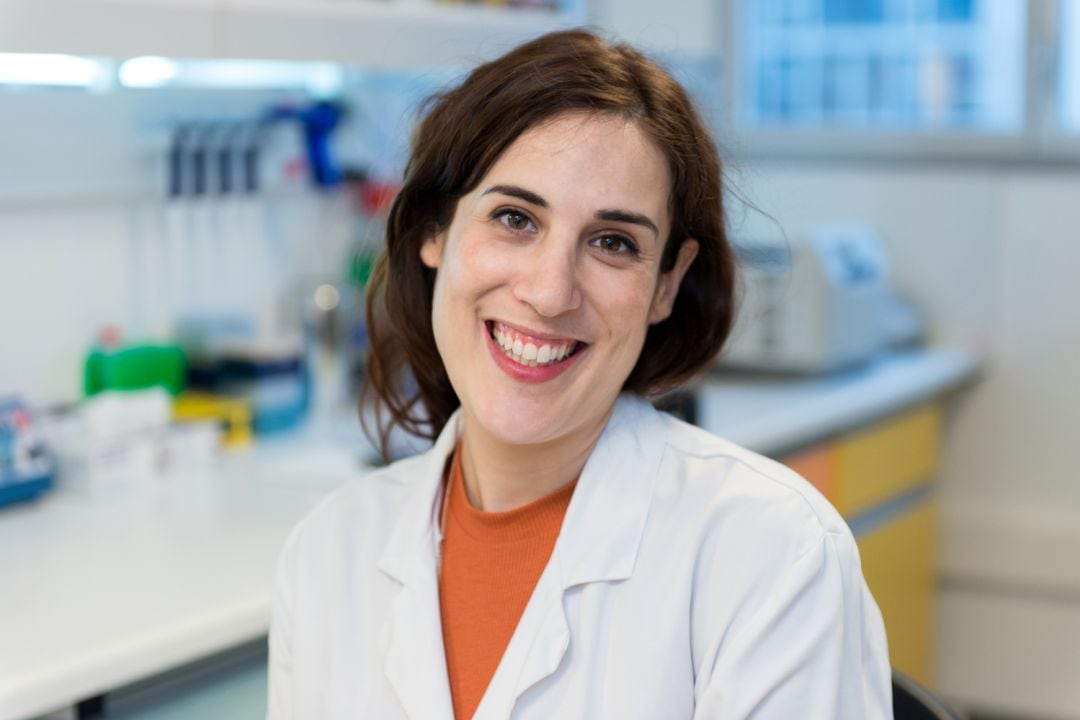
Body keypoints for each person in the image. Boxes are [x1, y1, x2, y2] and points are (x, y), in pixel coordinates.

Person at [267, 29, 892, 719]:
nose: (550, 290)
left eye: (613, 243)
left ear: (665, 284)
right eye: (514, 218)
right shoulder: (327, 552)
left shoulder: (770, 557)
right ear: (434, 231)